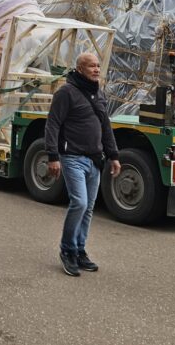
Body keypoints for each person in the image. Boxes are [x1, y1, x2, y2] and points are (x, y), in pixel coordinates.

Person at [44, 52, 120, 277]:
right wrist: (52, 156)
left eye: (98, 66)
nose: (97, 70)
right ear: (79, 69)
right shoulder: (66, 93)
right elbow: (52, 125)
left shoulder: (98, 93)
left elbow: (105, 126)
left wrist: (113, 155)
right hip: (72, 158)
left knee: (88, 209)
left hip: (95, 160)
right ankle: (67, 250)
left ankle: (79, 250)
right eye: (91, 66)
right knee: (79, 202)